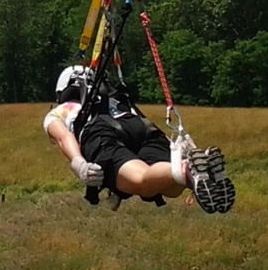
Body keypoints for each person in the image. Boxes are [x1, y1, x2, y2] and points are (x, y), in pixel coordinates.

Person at [43, 65, 235, 213]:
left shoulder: (63, 110)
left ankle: (187, 168)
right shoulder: (117, 100)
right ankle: (188, 168)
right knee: (170, 187)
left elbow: (64, 137)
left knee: (142, 180)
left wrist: (79, 163)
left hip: (101, 133)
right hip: (139, 125)